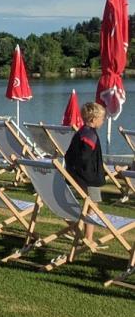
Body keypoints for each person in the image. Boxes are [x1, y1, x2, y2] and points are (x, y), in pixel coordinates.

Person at [64, 101, 107, 242]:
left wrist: (72, 172)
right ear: (94, 120)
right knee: (93, 206)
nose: (103, 120)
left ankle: (75, 228)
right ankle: (87, 237)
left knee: (89, 205)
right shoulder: (91, 135)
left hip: (79, 177)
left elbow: (68, 155)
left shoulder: (81, 132)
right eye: (102, 118)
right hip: (90, 178)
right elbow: (84, 157)